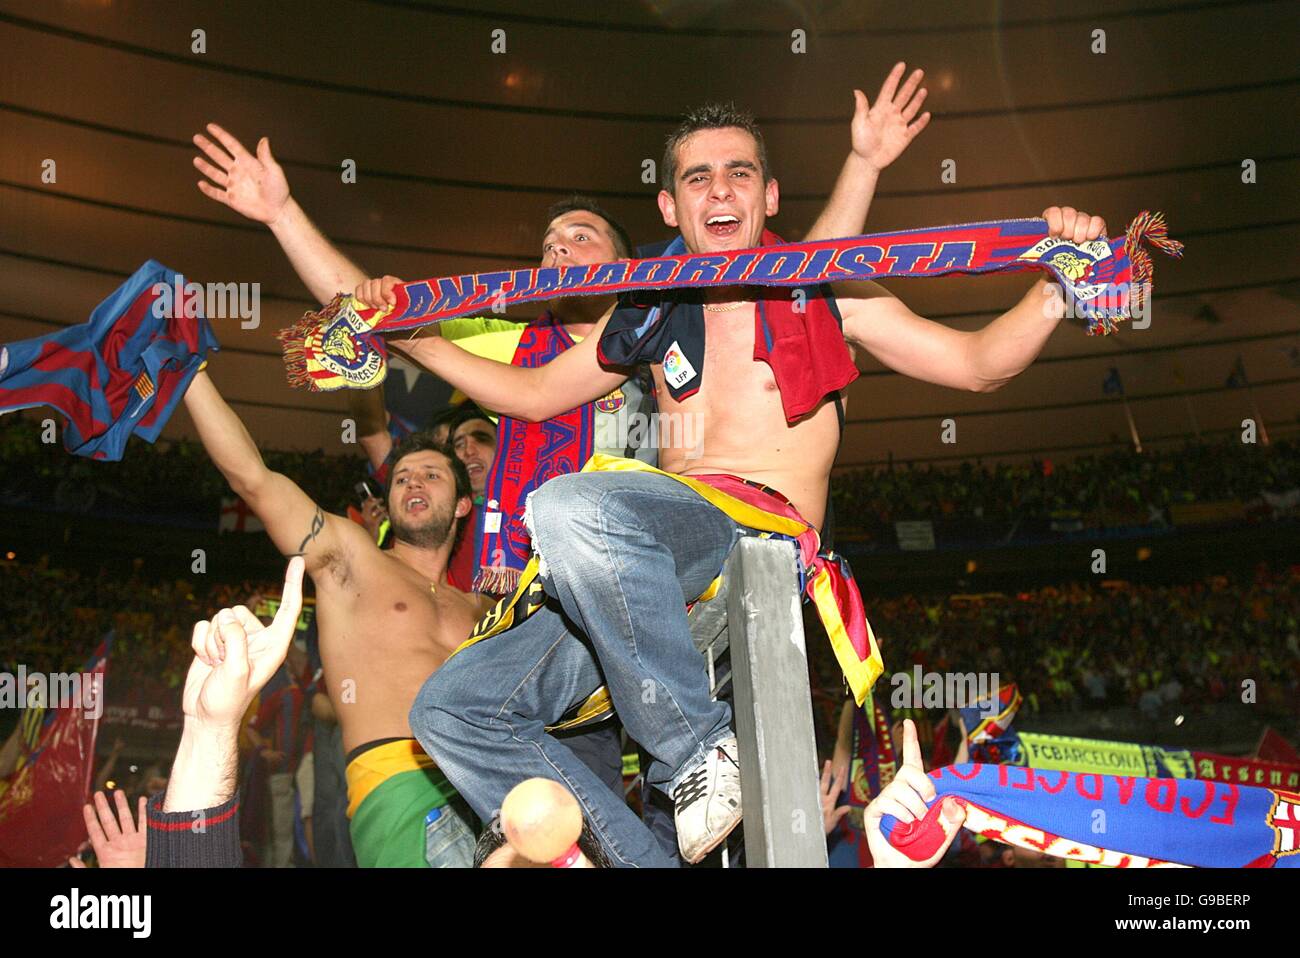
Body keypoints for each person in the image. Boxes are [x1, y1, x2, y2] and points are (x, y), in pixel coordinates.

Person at [394, 98, 1106, 865]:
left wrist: (1055, 285)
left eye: (740, 173)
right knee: (450, 709)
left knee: (571, 504)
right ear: (672, 205)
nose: (720, 190)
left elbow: (975, 366)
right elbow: (532, 394)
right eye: (698, 178)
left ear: (768, 197)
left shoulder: (828, 289)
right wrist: (416, 337)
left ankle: (698, 750)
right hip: (655, 563)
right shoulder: (653, 301)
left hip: (759, 532)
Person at [181, 366, 485, 867]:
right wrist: (191, 373)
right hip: (399, 781)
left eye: (432, 476)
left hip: (491, 783)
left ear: (461, 506)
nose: (414, 483)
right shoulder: (352, 559)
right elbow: (253, 478)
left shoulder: (480, 604)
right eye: (403, 478)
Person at [145, 558, 305, 867]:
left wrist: (208, 727)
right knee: (265, 835)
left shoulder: (286, 686)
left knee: (278, 834)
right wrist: (207, 726)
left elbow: (192, 856)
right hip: (248, 773)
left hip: (269, 772)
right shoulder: (271, 693)